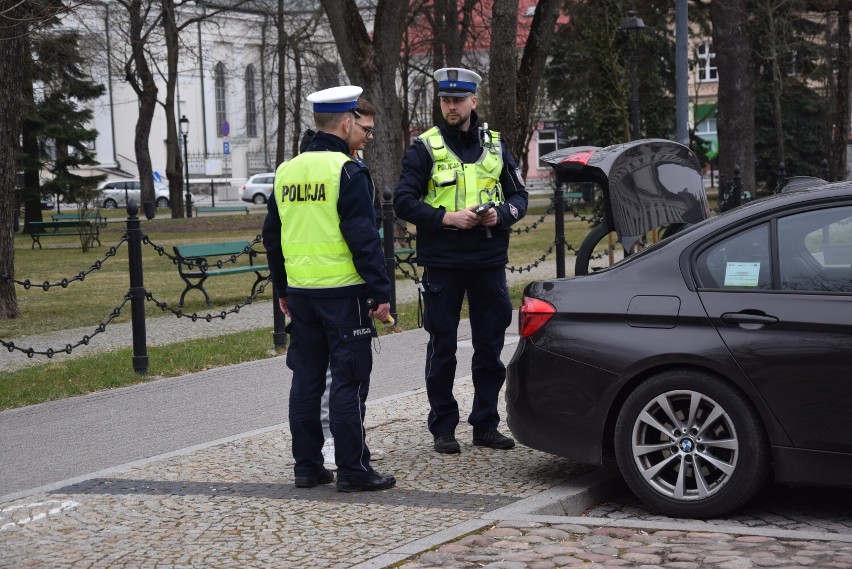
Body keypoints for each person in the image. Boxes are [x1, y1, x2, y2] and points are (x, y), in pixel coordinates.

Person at [262, 85, 395, 492]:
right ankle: (353, 470)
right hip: (343, 294)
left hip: (301, 293)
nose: (362, 129)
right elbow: (362, 236)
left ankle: (307, 467)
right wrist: (380, 290)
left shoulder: (286, 171)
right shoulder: (347, 171)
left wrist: (283, 288)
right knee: (348, 382)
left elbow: (272, 235)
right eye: (358, 122)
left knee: (305, 381)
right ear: (345, 122)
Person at [393, 67, 528, 454]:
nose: (451, 107)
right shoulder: (425, 147)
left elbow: (520, 197)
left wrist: (500, 215)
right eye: (444, 100)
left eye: (458, 100)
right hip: (444, 261)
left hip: (488, 259)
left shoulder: (497, 146)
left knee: (490, 346)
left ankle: (485, 424)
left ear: (473, 101)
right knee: (443, 346)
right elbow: (403, 201)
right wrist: (445, 218)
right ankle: (443, 427)